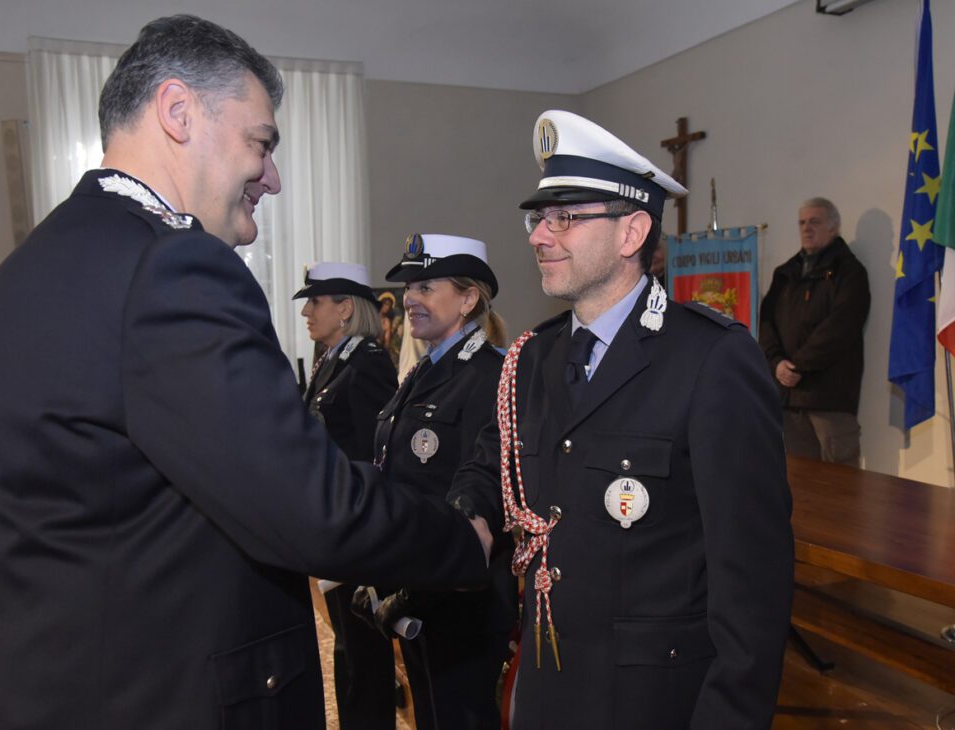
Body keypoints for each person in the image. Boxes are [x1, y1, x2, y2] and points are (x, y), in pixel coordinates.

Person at [0, 15, 491, 729]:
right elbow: (311, 505)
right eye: (261, 144)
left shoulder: (29, 269)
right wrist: (465, 541)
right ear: (178, 112)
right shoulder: (167, 267)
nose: (272, 177)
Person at [448, 110, 794, 729]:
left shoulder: (711, 358)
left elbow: (753, 583)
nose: (538, 236)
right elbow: (491, 469)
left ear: (632, 231)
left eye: (564, 218)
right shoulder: (532, 358)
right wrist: (459, 521)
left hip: (650, 701)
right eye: (537, 218)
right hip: (546, 689)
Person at [355, 234, 518, 730]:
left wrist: (417, 592)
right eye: (409, 288)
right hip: (420, 586)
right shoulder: (423, 371)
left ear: (468, 299)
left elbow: (480, 493)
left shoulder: (490, 375)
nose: (410, 298)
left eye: (426, 286)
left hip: (461, 600)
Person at [293, 262, 400, 728]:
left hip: (358, 527)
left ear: (345, 309)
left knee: (363, 651)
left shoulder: (367, 362)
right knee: (346, 646)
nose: (307, 313)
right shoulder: (332, 359)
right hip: (336, 522)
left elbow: (377, 455)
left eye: (315, 302)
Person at [759, 197, 870, 466]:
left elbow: (840, 328)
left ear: (833, 227)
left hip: (830, 398)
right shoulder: (785, 273)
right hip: (789, 398)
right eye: (802, 223)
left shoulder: (850, 272)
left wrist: (799, 366)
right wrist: (777, 364)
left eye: (815, 222)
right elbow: (766, 323)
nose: (806, 228)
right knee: (799, 481)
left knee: (841, 483)